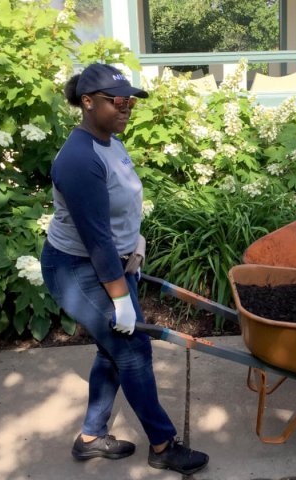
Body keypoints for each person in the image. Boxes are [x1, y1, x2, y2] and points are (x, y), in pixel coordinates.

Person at [40, 63, 209, 475]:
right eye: (117, 101)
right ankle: (163, 445)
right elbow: (96, 239)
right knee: (132, 352)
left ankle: (90, 437)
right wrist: (120, 298)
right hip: (78, 269)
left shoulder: (109, 142)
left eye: (130, 102)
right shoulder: (79, 160)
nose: (126, 108)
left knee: (113, 349)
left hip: (111, 262)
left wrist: (132, 248)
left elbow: (116, 214)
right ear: (87, 102)